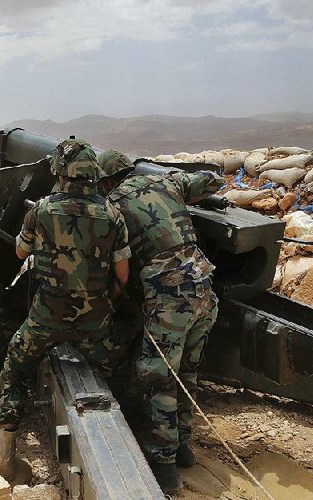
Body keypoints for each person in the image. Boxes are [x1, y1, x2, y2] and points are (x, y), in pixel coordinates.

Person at [0, 138, 130, 479]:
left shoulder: (41, 210)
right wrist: (102, 301)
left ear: (60, 172)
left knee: (14, 367)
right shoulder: (112, 215)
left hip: (45, 320)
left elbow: (21, 254)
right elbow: (122, 275)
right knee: (118, 369)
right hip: (95, 323)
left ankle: (6, 453)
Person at [97, 150, 224, 493]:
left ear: (107, 180)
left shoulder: (111, 204)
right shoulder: (165, 180)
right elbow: (214, 178)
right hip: (204, 287)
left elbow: (114, 267)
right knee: (187, 373)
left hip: (170, 297)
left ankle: (164, 463)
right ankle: (183, 447)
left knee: (158, 377)